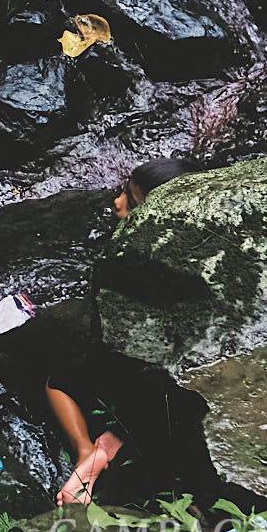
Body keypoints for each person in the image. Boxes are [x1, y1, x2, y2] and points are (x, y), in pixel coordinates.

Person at [45, 156, 195, 505]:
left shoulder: (139, 265)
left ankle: (92, 451)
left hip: (148, 385)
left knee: (58, 379)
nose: (117, 202)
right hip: (151, 388)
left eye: (130, 199)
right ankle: (99, 448)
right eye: (123, 189)